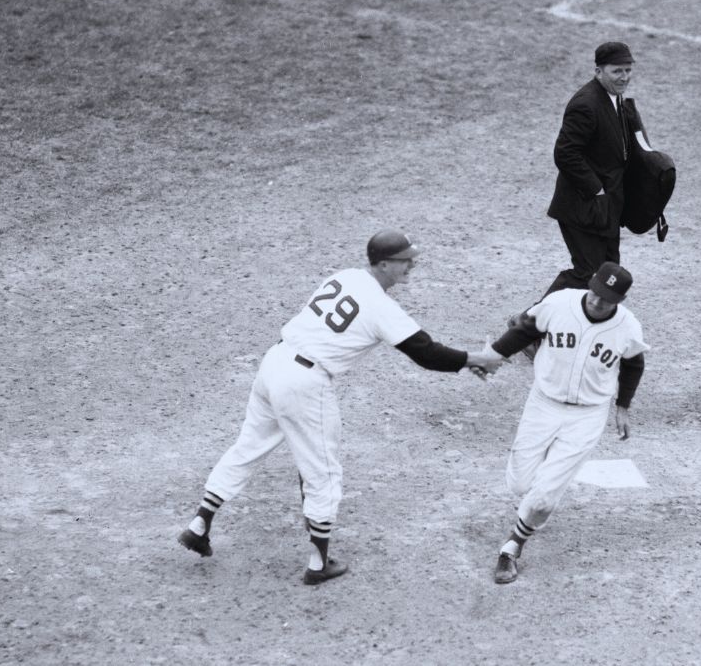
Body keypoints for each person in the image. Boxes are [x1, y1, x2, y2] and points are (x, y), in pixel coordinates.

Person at [177, 230, 503, 585]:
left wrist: (471, 360)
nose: (412, 264)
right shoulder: (381, 308)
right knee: (324, 472)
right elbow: (427, 353)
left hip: (274, 364)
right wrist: (478, 359)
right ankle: (319, 564)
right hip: (304, 383)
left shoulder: (344, 276)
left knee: (248, 446)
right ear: (382, 263)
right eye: (404, 260)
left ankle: (199, 525)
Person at [481, 262, 648, 584]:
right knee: (519, 485)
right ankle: (538, 495)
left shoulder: (628, 327)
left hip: (587, 415)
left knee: (543, 498)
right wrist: (493, 358)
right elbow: (525, 332)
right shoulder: (559, 303)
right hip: (543, 404)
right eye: (596, 294)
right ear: (591, 284)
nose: (598, 302)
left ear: (621, 300)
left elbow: (633, 364)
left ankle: (512, 546)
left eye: (607, 299)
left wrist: (623, 407)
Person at [543, 41, 646, 296]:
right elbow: (565, 153)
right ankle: (529, 325)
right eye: (617, 71)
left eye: (627, 70)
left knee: (608, 272)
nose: (624, 77)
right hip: (583, 206)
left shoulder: (613, 98)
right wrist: (597, 190)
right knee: (587, 273)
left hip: (605, 207)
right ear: (599, 71)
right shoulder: (586, 104)